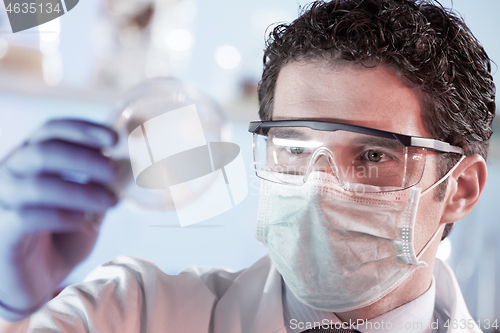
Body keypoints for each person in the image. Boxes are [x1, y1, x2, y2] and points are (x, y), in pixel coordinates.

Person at [0, 0, 495, 332]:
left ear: (462, 188)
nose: (318, 188)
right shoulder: (135, 311)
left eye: (372, 155)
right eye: (295, 148)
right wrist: (13, 302)